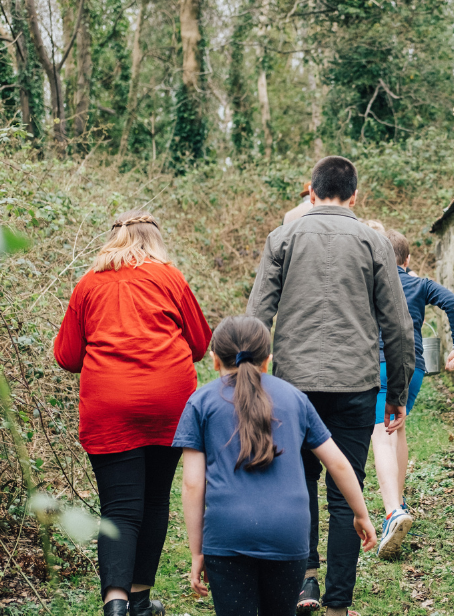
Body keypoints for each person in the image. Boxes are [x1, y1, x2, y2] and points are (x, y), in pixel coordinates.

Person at [246, 156, 414, 616]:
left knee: (299, 485)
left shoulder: (281, 238)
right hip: (356, 386)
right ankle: (339, 606)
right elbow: (398, 326)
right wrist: (395, 392)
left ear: (311, 191)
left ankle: (306, 584)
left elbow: (256, 318)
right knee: (347, 492)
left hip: (294, 388)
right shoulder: (374, 242)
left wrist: (250, 383)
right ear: (354, 196)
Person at [54, 210, 212, 616]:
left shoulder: (88, 285)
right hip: (169, 404)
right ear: (154, 241)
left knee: (120, 509)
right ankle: (140, 599)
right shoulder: (170, 278)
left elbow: (67, 356)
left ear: (112, 240)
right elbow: (199, 344)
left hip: (109, 405)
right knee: (156, 500)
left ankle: (117, 606)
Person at [174, 316, 377, 616]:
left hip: (226, 537)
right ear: (268, 361)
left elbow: (192, 485)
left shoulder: (200, 403)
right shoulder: (294, 398)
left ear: (215, 360)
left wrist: (196, 551)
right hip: (288, 535)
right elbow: (338, 463)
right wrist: (361, 514)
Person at [373, 230, 454, 559]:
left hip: (380, 365)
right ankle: (399, 500)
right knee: (399, 427)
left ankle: (392, 513)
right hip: (414, 368)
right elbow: (452, 302)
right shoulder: (419, 283)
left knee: (381, 434)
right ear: (407, 260)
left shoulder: (371, 281)